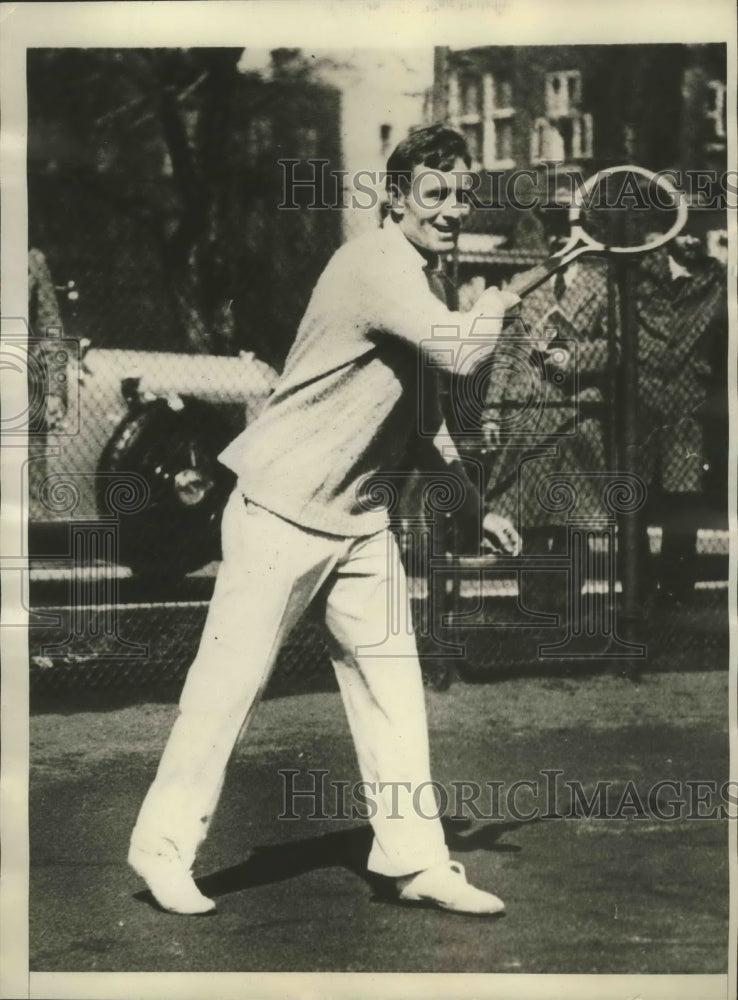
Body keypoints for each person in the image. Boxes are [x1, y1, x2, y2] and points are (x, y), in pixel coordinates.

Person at [128, 124, 521, 916]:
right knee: (229, 687)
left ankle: (415, 861)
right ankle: (162, 852)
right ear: (395, 199)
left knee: (393, 688)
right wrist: (497, 305)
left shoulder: (423, 282)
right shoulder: (373, 265)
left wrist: (475, 509)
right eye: (434, 194)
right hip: (279, 507)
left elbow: (422, 415)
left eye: (461, 196)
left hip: (359, 519)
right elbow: (459, 353)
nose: (450, 210)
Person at [633, 231, 727, 604]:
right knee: (634, 499)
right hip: (641, 401)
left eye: (698, 232)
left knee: (684, 501)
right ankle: (636, 587)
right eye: (683, 230)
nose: (691, 240)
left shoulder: (714, 278)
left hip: (689, 406)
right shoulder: (639, 274)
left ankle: (677, 589)